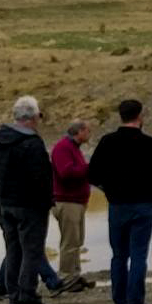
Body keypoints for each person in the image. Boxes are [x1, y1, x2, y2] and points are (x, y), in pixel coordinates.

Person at [88, 98, 152, 304]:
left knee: (119, 255)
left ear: (120, 116)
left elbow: (92, 174)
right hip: (143, 204)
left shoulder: (107, 141)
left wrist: (109, 190)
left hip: (117, 205)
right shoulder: (149, 143)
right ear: (139, 116)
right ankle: (136, 303)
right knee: (139, 255)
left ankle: (121, 302)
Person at [0, 95, 55, 304]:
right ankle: (28, 299)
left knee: (14, 249)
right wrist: (48, 202)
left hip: (6, 202)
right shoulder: (33, 143)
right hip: (30, 205)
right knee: (32, 251)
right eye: (38, 116)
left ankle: (14, 298)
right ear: (33, 117)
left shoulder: (0, 138)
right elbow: (42, 177)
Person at [51, 119, 94, 292]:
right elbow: (66, 173)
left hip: (76, 201)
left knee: (76, 240)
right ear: (80, 131)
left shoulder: (73, 148)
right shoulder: (62, 148)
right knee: (70, 241)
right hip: (67, 201)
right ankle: (66, 277)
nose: (89, 135)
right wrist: (89, 168)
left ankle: (75, 275)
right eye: (88, 131)